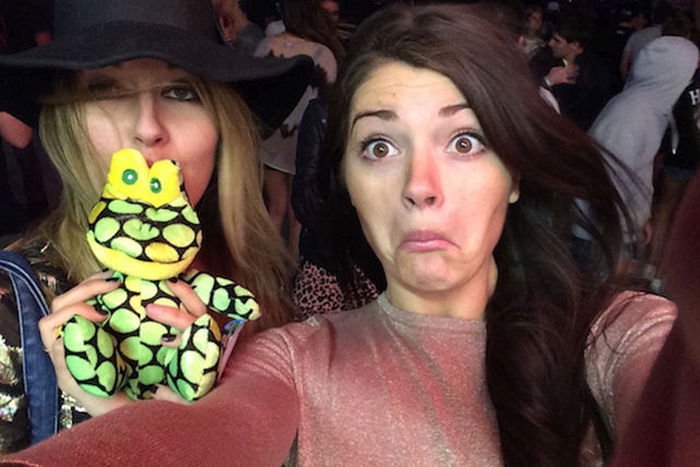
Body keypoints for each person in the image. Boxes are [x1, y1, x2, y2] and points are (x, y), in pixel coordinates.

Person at [3, 4, 677, 465]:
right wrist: (129, 422)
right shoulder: (297, 353)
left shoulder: (272, 290)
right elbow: (219, 429)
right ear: (348, 181)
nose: (420, 185)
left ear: (516, 172)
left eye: (465, 140)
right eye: (380, 146)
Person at [0, 0, 312, 453]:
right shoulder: (13, 312)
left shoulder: (266, 283)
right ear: (66, 125)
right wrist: (136, 428)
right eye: (107, 89)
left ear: (221, 122)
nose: (148, 129)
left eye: (180, 92)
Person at [254, 0, 339, 259]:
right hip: (302, 140)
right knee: (297, 212)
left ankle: (266, 266)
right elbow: (327, 105)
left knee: (275, 206)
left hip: (269, 135)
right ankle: (293, 267)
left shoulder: (266, 45)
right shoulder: (322, 53)